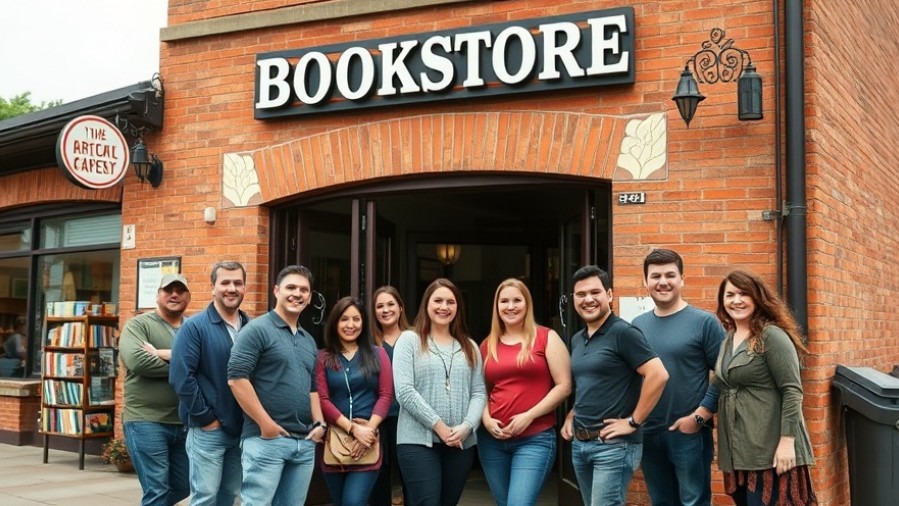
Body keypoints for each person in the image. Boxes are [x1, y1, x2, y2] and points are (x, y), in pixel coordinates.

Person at [560, 265, 669, 506]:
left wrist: (633, 421)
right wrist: (573, 413)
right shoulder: (578, 339)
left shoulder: (623, 332)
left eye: (595, 292)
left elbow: (658, 374)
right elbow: (591, 384)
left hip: (613, 446)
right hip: (581, 443)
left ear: (609, 295)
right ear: (573, 299)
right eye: (581, 294)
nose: (588, 299)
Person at [227, 264, 327, 506]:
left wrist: (320, 423)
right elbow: (236, 379)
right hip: (266, 440)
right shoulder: (257, 330)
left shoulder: (308, 339)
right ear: (276, 291)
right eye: (290, 287)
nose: (297, 294)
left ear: (309, 297)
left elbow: (312, 387)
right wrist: (266, 424)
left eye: (303, 290)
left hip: (304, 442)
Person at [714, 270, 817, 506]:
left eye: (744, 294)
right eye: (730, 295)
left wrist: (787, 442)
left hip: (771, 450)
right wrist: (698, 416)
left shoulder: (771, 335)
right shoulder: (729, 339)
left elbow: (792, 390)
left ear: (757, 297)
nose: (737, 300)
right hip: (739, 452)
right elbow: (720, 383)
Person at [632, 249, 725, 506]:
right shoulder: (637, 325)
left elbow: (726, 374)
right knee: (661, 502)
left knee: (694, 502)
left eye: (670, 275)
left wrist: (699, 417)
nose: (663, 282)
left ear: (682, 279)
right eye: (656, 276)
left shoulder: (704, 322)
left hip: (689, 434)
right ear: (646, 281)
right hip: (648, 433)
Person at [393, 278, 486, 506]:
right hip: (417, 442)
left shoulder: (470, 347)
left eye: (450, 302)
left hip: (460, 443)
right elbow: (404, 392)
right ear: (426, 303)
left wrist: (467, 427)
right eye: (438, 301)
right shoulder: (409, 340)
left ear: (458, 307)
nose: (444, 307)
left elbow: (479, 393)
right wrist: (440, 427)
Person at [478, 278, 572, 506]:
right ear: (496, 306)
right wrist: (486, 419)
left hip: (535, 439)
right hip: (492, 441)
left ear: (527, 304)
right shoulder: (487, 345)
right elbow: (479, 391)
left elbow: (564, 386)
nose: (510, 306)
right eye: (504, 301)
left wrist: (528, 416)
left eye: (517, 300)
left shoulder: (546, 337)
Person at [169, 261, 251, 506]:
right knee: (205, 498)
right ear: (213, 287)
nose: (232, 288)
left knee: (229, 496)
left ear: (244, 287)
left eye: (237, 283)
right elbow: (181, 377)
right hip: (208, 431)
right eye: (225, 282)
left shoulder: (252, 327)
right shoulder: (194, 327)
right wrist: (206, 418)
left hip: (242, 429)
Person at [119, 273, 192, 506]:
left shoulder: (192, 327)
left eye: (180, 291)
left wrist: (163, 354)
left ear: (188, 296)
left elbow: (210, 362)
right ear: (158, 295)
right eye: (168, 290)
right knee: (157, 488)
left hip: (184, 422)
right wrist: (189, 367)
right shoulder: (138, 325)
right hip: (146, 420)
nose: (174, 295)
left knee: (184, 485)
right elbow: (138, 361)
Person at [316, 296, 395, 506]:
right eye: (344, 319)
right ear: (335, 323)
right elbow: (322, 399)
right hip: (334, 442)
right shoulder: (323, 357)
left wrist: (368, 430)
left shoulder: (378, 354)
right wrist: (353, 429)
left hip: (368, 441)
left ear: (363, 322)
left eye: (356, 319)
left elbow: (386, 394)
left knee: (353, 502)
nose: (350, 325)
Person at [369, 286, 412, 506]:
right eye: (380, 306)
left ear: (400, 307)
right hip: (379, 420)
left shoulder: (414, 338)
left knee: (411, 479)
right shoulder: (368, 343)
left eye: (390, 304)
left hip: (409, 419)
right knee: (379, 480)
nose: (385, 310)